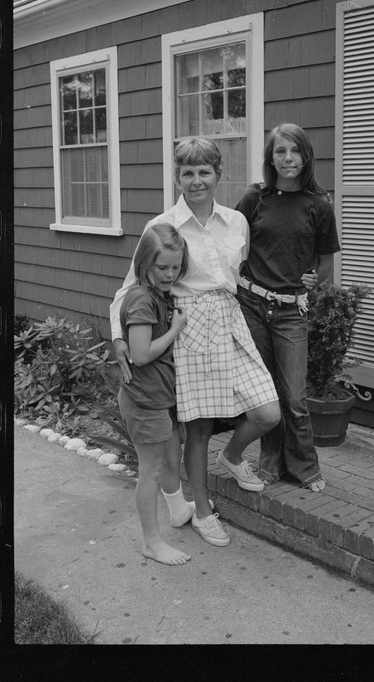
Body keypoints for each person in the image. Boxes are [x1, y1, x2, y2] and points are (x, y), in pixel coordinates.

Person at [110, 138, 281, 548]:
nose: (196, 180)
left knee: (267, 411)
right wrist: (118, 336)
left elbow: (238, 277)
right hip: (186, 327)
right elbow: (130, 286)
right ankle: (202, 512)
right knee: (198, 428)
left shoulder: (235, 222)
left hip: (229, 319)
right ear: (177, 176)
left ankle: (233, 456)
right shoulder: (162, 225)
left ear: (218, 174)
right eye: (187, 173)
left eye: (204, 172)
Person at [235, 124, 341, 492]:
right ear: (271, 158)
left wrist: (314, 281)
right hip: (251, 306)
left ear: (306, 156)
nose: (288, 159)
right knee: (266, 394)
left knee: (295, 397)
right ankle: (270, 465)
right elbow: (232, 245)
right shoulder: (254, 200)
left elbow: (325, 266)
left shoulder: (319, 205)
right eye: (280, 152)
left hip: (290, 312)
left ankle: (305, 468)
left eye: (295, 151)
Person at [117, 224, 193, 565]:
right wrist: (176, 330)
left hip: (155, 398)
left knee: (165, 459)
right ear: (145, 262)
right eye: (162, 267)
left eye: (176, 267)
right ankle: (151, 541)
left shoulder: (157, 295)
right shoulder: (142, 300)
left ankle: (174, 515)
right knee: (150, 470)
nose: (170, 274)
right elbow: (141, 354)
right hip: (143, 400)